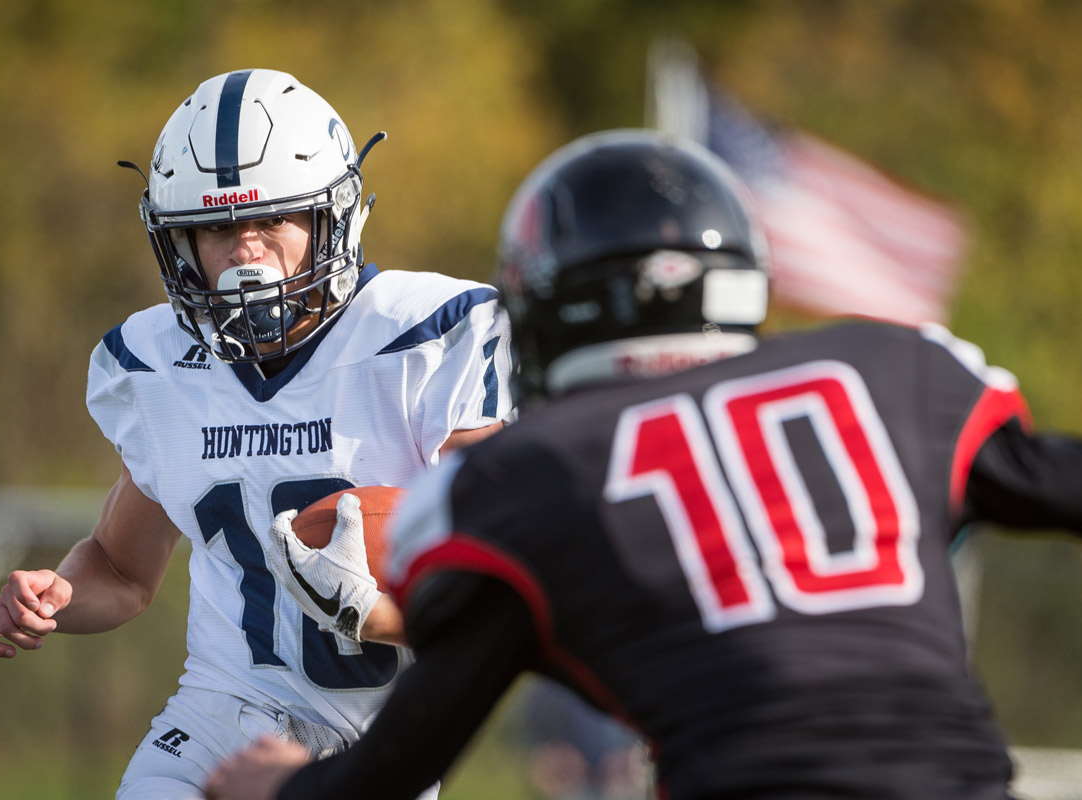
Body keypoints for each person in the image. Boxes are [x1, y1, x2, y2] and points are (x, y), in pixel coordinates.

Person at [202, 129, 1082, 800]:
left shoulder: (531, 473)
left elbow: (392, 769)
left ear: (548, 303)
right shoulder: (891, 376)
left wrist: (280, 786)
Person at [0, 68, 512, 799]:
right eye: (221, 227)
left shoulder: (420, 340)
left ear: (334, 219)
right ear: (180, 242)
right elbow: (121, 569)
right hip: (221, 717)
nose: (246, 251)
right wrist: (56, 595)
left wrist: (373, 612)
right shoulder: (160, 365)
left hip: (384, 733)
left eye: (273, 222)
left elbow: (501, 591)